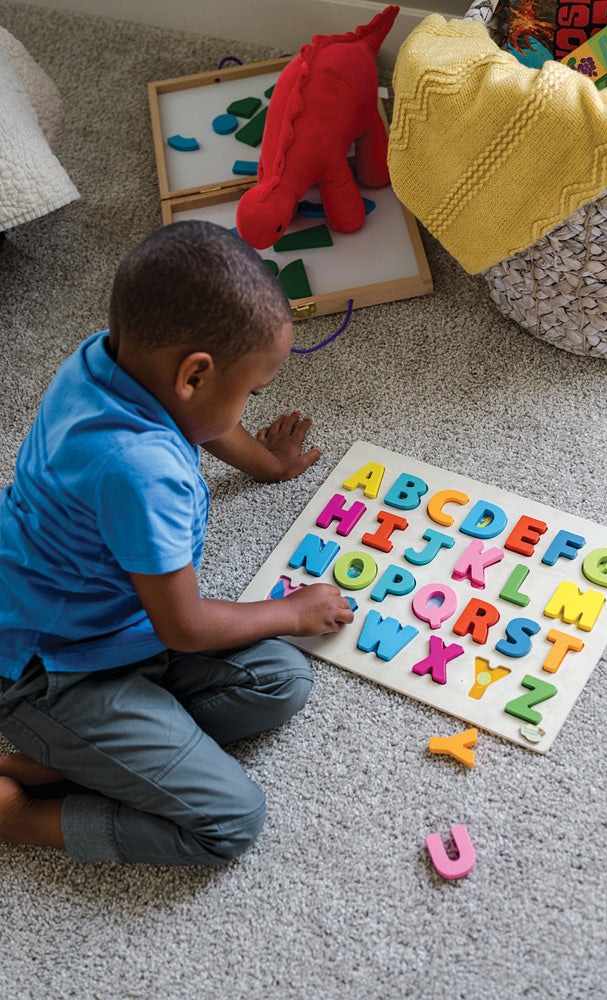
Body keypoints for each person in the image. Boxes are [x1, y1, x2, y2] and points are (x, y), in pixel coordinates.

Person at [0, 220, 353, 865]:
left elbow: (202, 421)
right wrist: (293, 610)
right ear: (192, 376)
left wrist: (268, 466)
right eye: (250, 390)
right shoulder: (139, 470)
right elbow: (186, 627)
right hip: (52, 672)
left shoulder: (109, 358)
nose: (248, 403)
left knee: (283, 680)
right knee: (230, 820)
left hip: (116, 627)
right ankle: (26, 817)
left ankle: (76, 757)